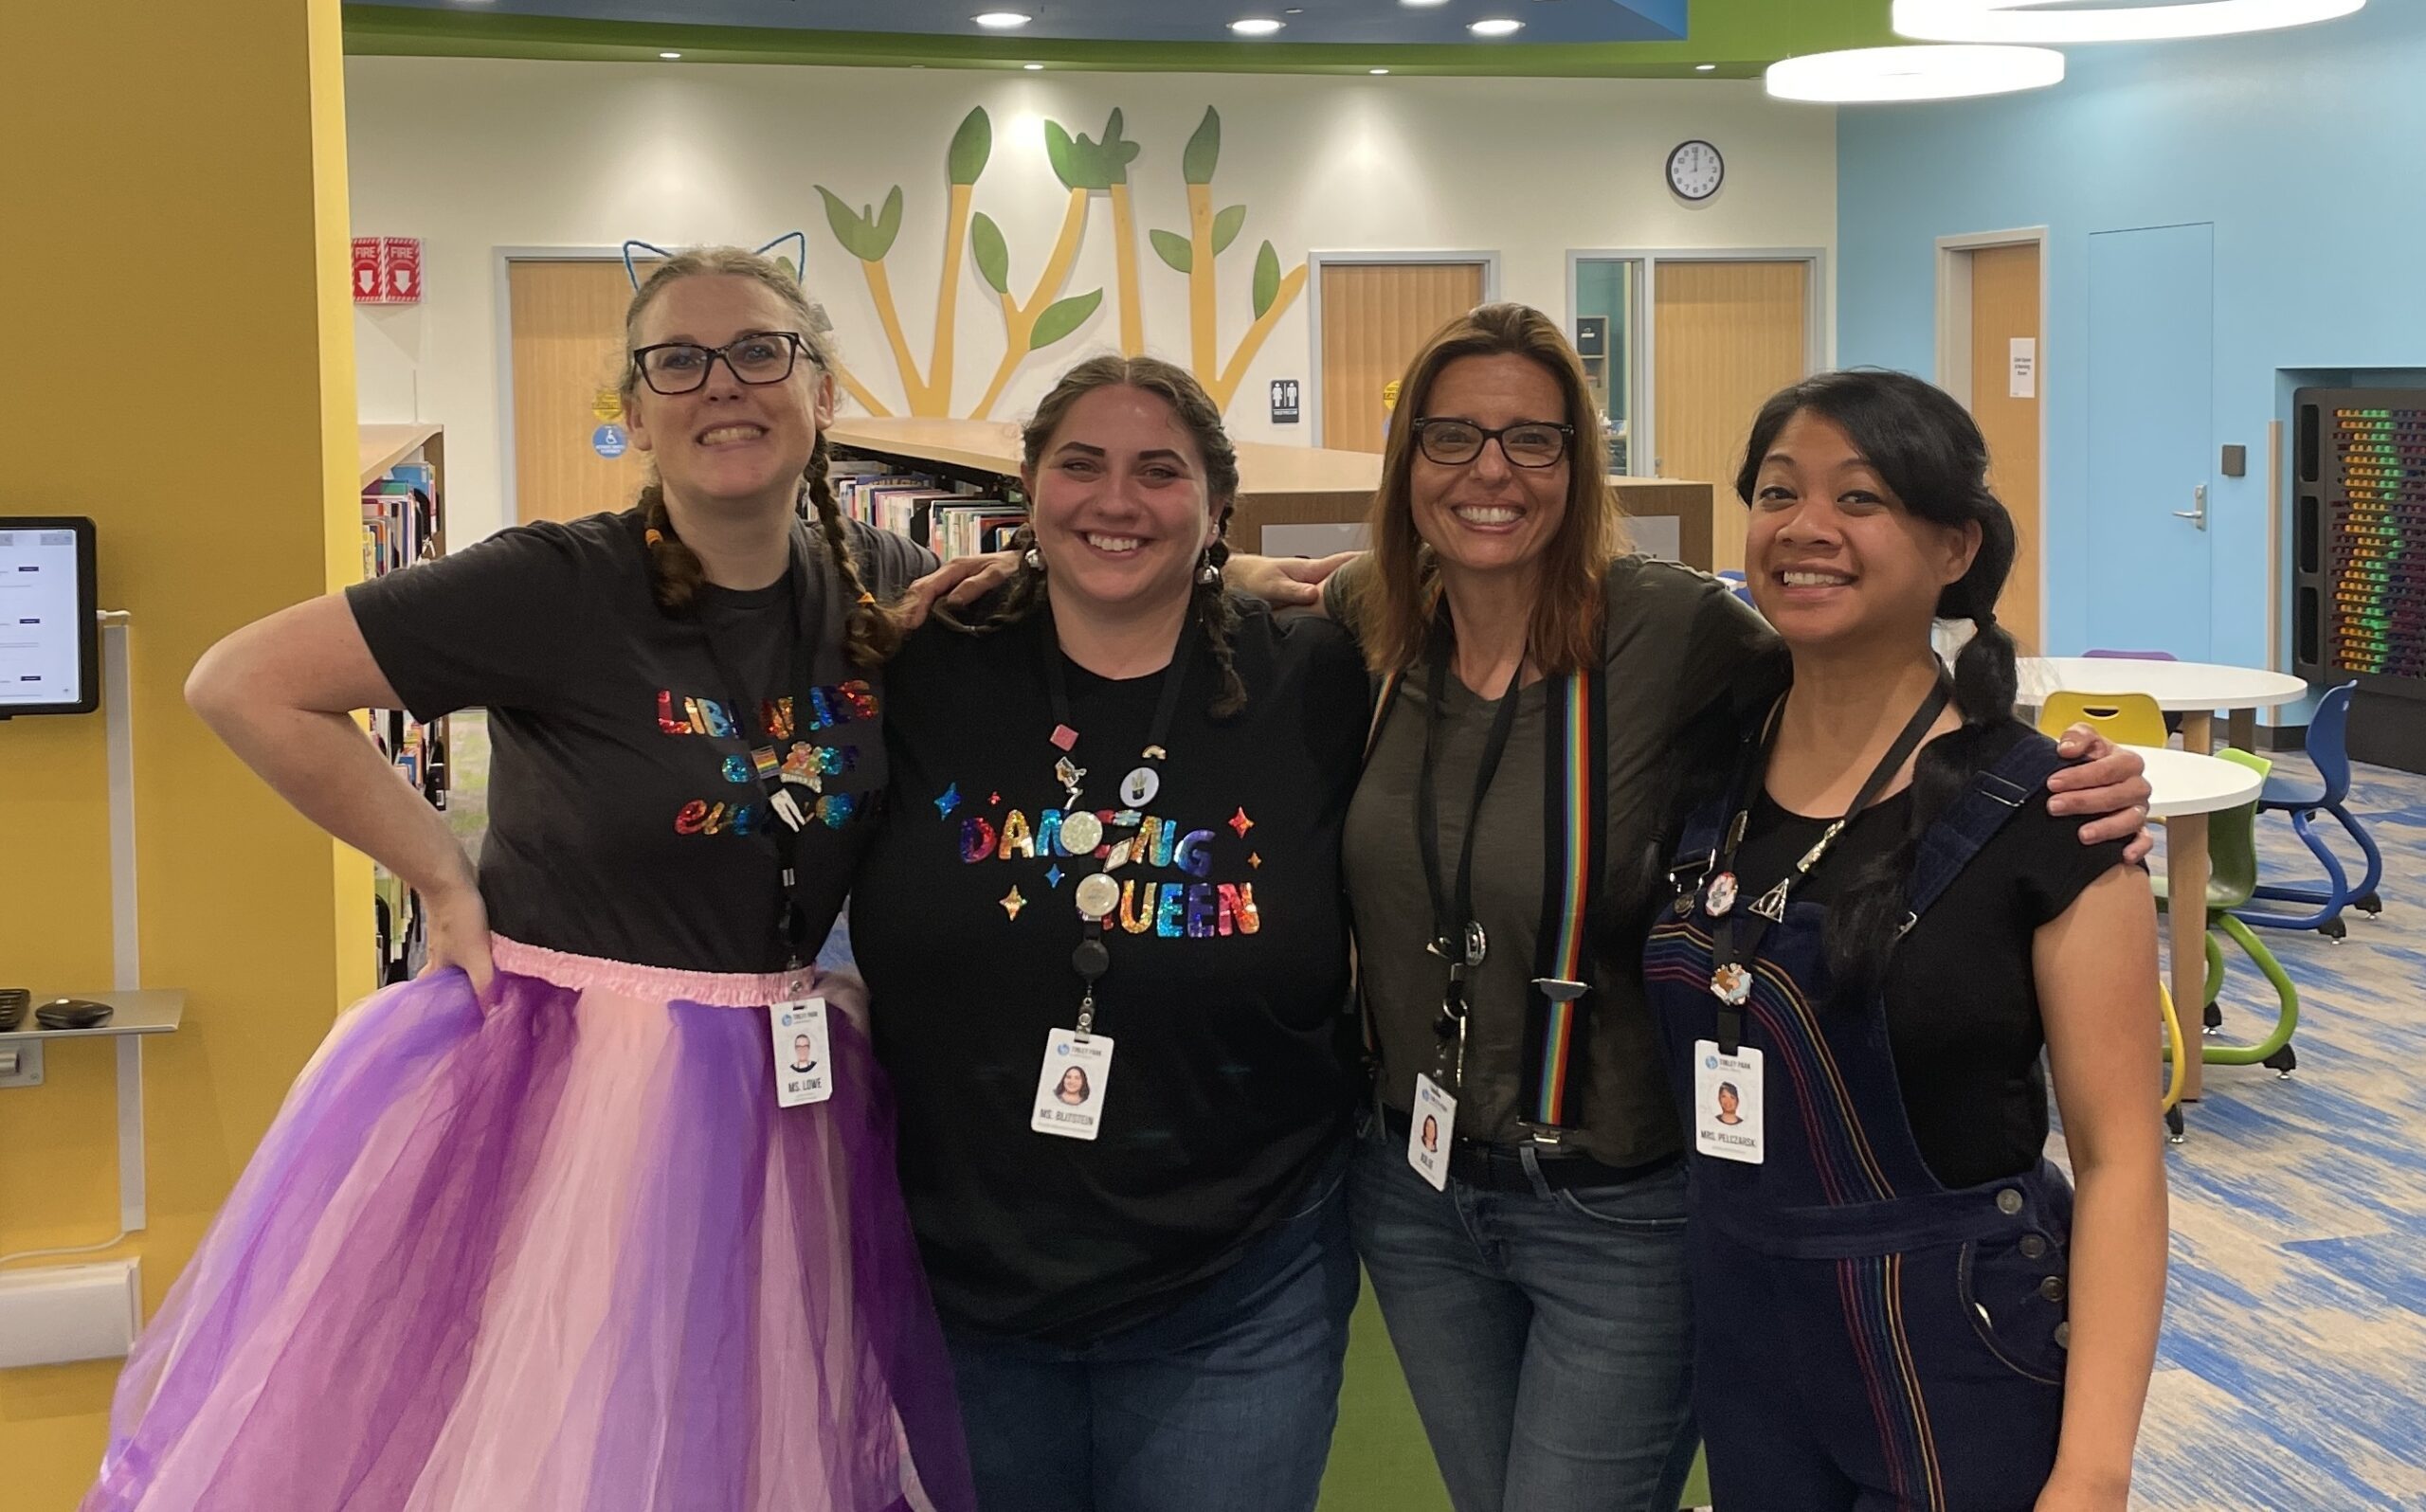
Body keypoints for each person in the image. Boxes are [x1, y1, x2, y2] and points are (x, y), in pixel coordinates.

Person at [88, 246, 973, 1512]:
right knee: (569, 1446)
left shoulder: (876, 579)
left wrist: (1249, 581)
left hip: (789, 1088)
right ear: (634, 408)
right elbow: (243, 682)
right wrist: (439, 878)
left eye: (761, 351)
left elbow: (1074, 600)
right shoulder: (556, 582)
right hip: (575, 1092)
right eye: (679, 360)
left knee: (737, 1436)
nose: (724, 384)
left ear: (822, 391)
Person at [1232, 302, 2152, 1512]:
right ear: (1406, 462)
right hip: (1424, 1192)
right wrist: (1188, 563)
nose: (1488, 471)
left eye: (1532, 440)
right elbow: (1239, 572)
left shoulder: (1679, 635)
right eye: (1448, 438)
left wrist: (2061, 764)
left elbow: (1874, 672)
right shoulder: (1379, 624)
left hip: (1632, 1212)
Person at [849, 354, 1370, 1512]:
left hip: (1237, 1277)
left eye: (1159, 472)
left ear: (1217, 506)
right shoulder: (922, 663)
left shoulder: (1322, 677)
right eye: (1079, 466)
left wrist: (1331, 586)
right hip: (959, 1279)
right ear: (1028, 492)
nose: (1116, 502)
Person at [1644, 369, 2165, 1509]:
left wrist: (2091, 1471)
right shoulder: (1705, 764)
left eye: (1861, 498)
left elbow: (2123, 1161)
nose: (1806, 529)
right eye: (1778, 492)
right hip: (1745, 1338)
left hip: (1959, 1354)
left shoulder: (2054, 813)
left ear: (1953, 547)